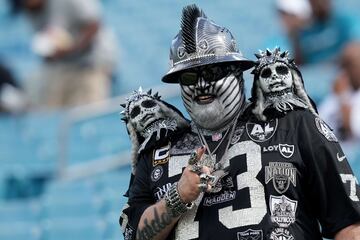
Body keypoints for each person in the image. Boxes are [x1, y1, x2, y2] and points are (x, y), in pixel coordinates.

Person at [120, 4, 360, 240]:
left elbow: (349, 224)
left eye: (212, 72)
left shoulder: (294, 125)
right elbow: (134, 234)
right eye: (190, 76)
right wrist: (178, 197)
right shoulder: (157, 151)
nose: (201, 86)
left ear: (237, 70)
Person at [10, 0, 118, 109]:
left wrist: (71, 49)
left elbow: (93, 25)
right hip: (63, 66)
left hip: (92, 63)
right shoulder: (29, 10)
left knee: (87, 110)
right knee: (54, 110)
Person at [275, 0, 360, 66]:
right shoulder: (302, 32)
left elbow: (354, 48)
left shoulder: (344, 21)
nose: (320, 3)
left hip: (339, 71)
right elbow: (298, 63)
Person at [319, 42, 360, 142]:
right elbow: (317, 127)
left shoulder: (342, 94)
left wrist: (343, 97)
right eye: (344, 65)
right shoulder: (336, 95)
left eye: (351, 64)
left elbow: (351, 128)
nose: (346, 70)